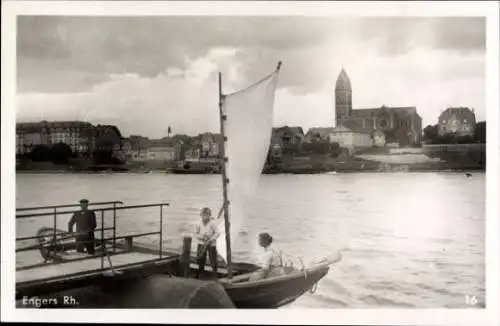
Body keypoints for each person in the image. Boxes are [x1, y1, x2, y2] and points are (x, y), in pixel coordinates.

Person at [195, 207, 219, 278]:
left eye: (207, 215)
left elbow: (217, 233)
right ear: (201, 215)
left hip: (211, 243)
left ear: (210, 215)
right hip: (202, 243)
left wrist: (211, 239)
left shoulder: (212, 223)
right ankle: (200, 272)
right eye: (204, 215)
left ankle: (215, 273)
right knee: (200, 258)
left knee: (213, 259)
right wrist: (201, 237)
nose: (205, 216)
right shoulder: (198, 224)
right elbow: (196, 233)